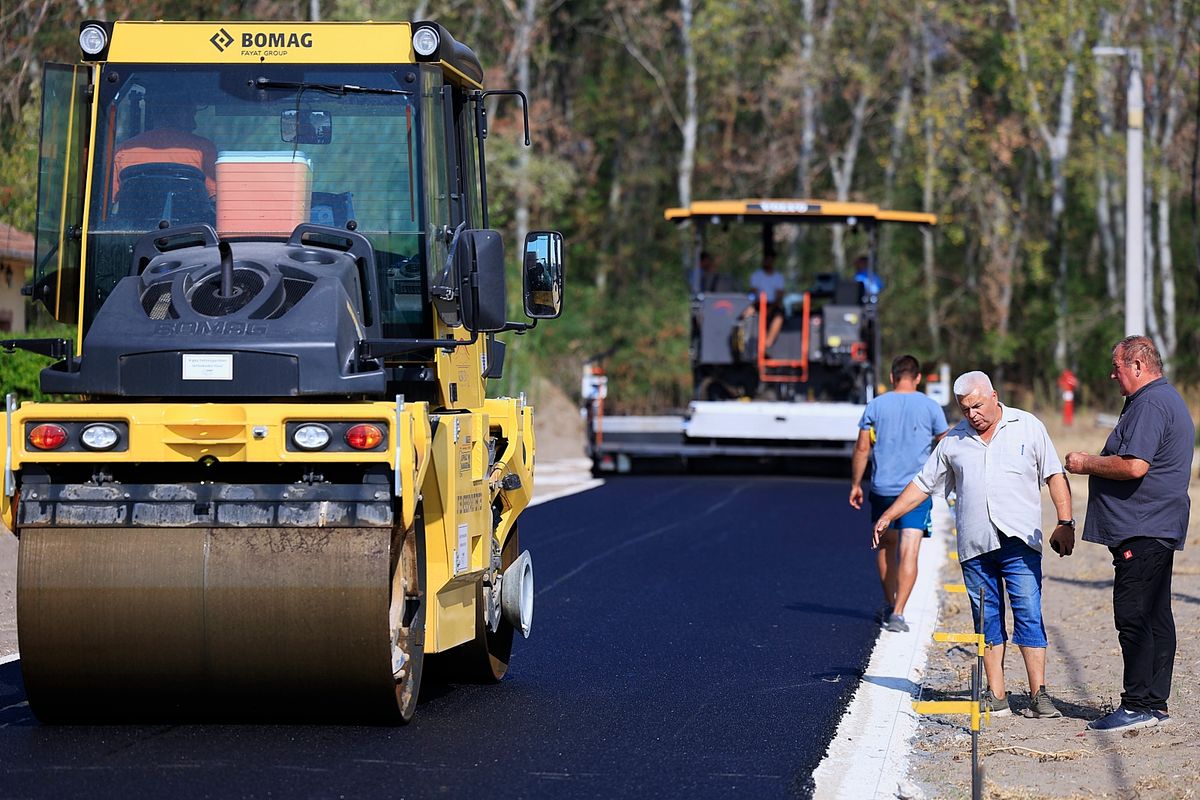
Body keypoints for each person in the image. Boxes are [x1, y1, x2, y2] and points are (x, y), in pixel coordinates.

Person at [873, 370, 1075, 718]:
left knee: (1028, 613)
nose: (972, 415)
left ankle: (1038, 694)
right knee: (987, 620)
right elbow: (923, 483)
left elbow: (1054, 474)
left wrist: (1065, 521)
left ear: (994, 396)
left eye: (977, 406)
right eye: (965, 409)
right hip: (975, 547)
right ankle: (996, 695)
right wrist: (889, 514)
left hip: (1020, 543)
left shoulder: (1028, 427)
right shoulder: (953, 441)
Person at [1064, 336, 1194, 732]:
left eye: (1117, 367)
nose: (1112, 374)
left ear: (1138, 365)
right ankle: (1154, 704)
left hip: (1145, 527)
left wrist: (1086, 463)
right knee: (1156, 616)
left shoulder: (1151, 403)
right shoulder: (1159, 399)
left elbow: (1135, 465)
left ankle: (1138, 703)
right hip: (1154, 525)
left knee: (1134, 615)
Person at [849, 355, 950, 633]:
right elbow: (945, 445)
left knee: (885, 546)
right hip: (916, 490)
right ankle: (899, 613)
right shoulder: (931, 407)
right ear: (917, 378)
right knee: (910, 549)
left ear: (892, 377)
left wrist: (856, 484)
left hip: (883, 488)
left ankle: (889, 601)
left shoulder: (876, 405)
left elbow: (861, 449)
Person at [112, 98, 218, 199]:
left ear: (154, 114)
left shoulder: (124, 150)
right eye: (191, 115)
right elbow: (215, 198)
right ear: (181, 114)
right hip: (191, 217)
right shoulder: (203, 149)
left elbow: (109, 199)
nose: (194, 125)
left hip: (133, 218)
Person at [748, 252, 787, 351]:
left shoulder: (778, 277)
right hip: (759, 303)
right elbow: (753, 293)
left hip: (773, 305)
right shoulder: (756, 276)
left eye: (770, 260)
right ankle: (754, 344)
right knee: (752, 313)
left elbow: (779, 295)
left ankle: (767, 344)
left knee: (779, 316)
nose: (768, 262)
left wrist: (771, 308)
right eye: (766, 260)